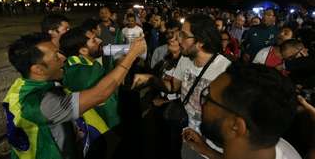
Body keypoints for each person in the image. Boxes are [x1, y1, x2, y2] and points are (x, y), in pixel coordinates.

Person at [3, 33, 146, 159]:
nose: (63, 58)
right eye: (55, 56)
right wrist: (131, 55)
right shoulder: (40, 103)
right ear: (38, 69)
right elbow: (100, 94)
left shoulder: (23, 86)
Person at [132, 14, 231, 159]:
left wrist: (209, 150)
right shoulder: (185, 59)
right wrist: (151, 78)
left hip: (212, 147)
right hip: (187, 136)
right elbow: (172, 86)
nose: (178, 39)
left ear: (201, 42)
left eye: (183, 35)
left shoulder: (226, 70)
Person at [182, 63, 302, 159]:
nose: (203, 102)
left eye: (209, 98)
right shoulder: (275, 147)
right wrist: (209, 152)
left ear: (236, 126)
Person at [60, 23, 120, 128]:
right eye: (93, 40)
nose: (100, 41)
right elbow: (106, 107)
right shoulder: (83, 74)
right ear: (83, 50)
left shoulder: (85, 65)